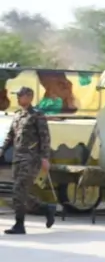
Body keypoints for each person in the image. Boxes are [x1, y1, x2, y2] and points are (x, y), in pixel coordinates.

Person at [2, 86, 56, 234]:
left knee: (18, 191)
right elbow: (10, 136)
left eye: (20, 95)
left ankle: (19, 225)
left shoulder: (37, 115)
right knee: (20, 192)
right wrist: (1, 150)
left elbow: (45, 138)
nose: (18, 98)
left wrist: (45, 157)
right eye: (17, 95)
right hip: (17, 158)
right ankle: (46, 208)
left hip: (31, 159)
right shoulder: (18, 115)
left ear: (29, 97)